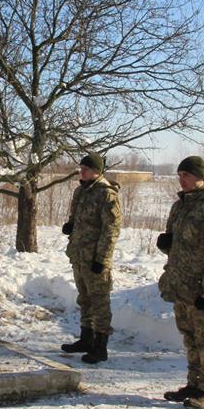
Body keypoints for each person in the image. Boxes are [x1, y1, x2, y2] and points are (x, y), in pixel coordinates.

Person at [156, 156, 204, 409]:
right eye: (179, 175)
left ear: (201, 178)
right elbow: (180, 244)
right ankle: (193, 383)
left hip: (201, 288)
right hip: (181, 285)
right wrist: (168, 245)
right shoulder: (180, 207)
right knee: (190, 338)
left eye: (186, 175)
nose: (182, 179)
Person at [60, 153, 122, 364]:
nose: (82, 171)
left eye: (86, 168)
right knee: (84, 298)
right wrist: (70, 225)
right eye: (81, 168)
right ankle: (86, 339)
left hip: (96, 259)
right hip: (79, 256)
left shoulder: (107, 195)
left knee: (99, 302)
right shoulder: (81, 191)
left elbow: (111, 230)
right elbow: (75, 217)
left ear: (97, 171)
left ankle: (100, 347)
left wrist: (102, 259)